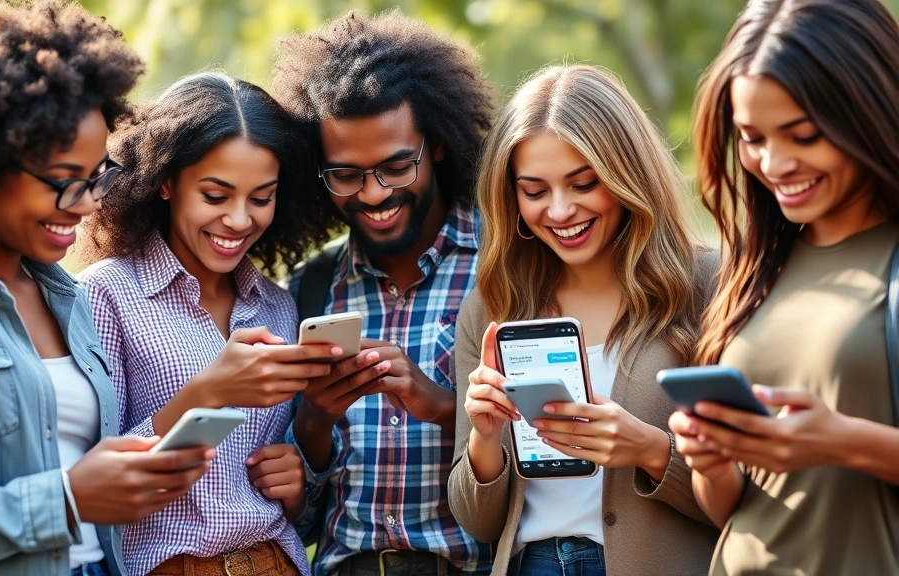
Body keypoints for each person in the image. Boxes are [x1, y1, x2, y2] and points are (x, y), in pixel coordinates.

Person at [0, 2, 212, 575]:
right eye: (63, 183)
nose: (87, 204)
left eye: (95, 177)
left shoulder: (67, 297)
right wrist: (66, 500)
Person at [448, 65, 720, 576]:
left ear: (626, 175)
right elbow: (479, 523)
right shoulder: (492, 307)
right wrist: (484, 437)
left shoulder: (709, 284)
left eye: (583, 183)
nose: (560, 210)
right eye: (534, 191)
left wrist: (649, 449)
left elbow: (752, 491)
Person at [671, 0, 899, 574]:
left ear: (868, 113)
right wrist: (711, 461)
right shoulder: (757, 267)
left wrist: (844, 441)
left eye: (801, 135)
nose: (775, 164)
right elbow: (729, 509)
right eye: (752, 138)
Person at [79, 72, 335, 576]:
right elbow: (87, 475)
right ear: (166, 181)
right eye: (216, 196)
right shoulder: (105, 294)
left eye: (261, 197)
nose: (240, 220)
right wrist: (205, 393)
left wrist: (297, 479)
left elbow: (282, 487)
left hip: (278, 561)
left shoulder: (278, 307)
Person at [270, 9, 496, 576]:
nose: (374, 194)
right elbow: (294, 522)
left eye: (396, 166)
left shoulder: (507, 267)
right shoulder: (308, 289)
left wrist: (443, 407)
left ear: (438, 145)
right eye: (346, 175)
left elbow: (559, 448)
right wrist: (314, 421)